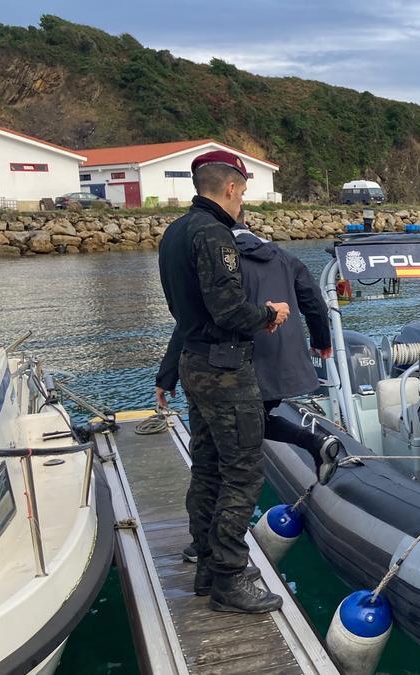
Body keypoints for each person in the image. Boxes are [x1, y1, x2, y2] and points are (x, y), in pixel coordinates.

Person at [155, 150, 289, 615]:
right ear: (231, 187)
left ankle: (208, 566)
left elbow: (184, 310)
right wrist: (269, 314)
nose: (244, 199)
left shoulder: (175, 232)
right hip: (226, 370)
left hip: (195, 364)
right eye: (244, 190)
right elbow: (229, 310)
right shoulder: (215, 236)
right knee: (242, 472)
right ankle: (230, 577)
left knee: (208, 467)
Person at [157, 208, 342, 486]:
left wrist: (168, 374)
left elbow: (190, 321)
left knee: (247, 425)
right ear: (248, 223)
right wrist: (321, 341)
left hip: (238, 360)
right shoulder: (283, 257)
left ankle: (313, 442)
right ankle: (315, 444)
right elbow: (313, 300)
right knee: (258, 417)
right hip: (283, 359)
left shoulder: (217, 261)